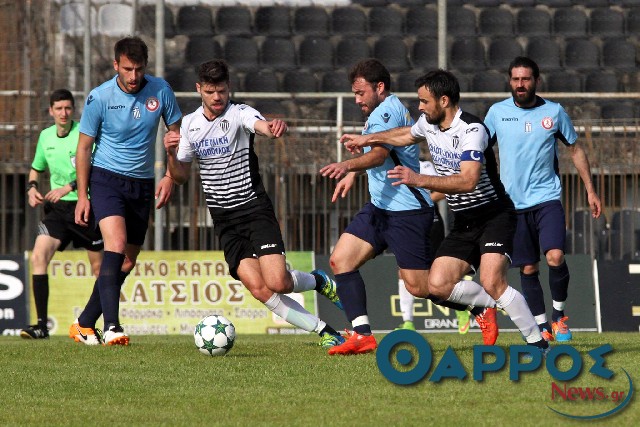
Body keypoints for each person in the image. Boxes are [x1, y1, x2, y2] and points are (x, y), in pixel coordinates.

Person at [342, 69, 549, 355]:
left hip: (494, 216)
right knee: (437, 285)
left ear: (444, 100)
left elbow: (468, 180)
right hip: (464, 221)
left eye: (424, 101)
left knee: (492, 280)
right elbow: (404, 135)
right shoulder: (428, 124)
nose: (420, 107)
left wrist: (419, 179)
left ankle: (538, 344)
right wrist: (367, 139)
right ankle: (489, 306)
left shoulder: (472, 130)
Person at [320, 60, 498, 356]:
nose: (357, 99)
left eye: (360, 93)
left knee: (420, 286)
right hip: (380, 208)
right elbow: (383, 156)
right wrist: (353, 173)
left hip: (407, 212)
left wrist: (347, 165)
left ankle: (478, 305)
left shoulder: (387, 112)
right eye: (354, 94)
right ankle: (362, 335)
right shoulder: (382, 110)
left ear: (379, 87)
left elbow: (378, 155)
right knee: (341, 260)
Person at [163, 59, 345, 349]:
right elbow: (181, 177)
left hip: (253, 210)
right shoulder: (189, 125)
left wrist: (274, 128)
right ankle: (325, 332)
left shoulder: (239, 113)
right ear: (199, 89)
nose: (217, 97)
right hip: (224, 220)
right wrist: (171, 156)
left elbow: (262, 127)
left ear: (228, 88)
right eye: (210, 92)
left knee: (279, 282)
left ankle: (319, 282)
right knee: (260, 289)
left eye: (221, 90)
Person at [70, 36, 182, 346]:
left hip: (143, 183)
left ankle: (82, 324)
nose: (134, 77)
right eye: (128, 69)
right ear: (116, 65)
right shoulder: (100, 97)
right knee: (115, 245)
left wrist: (170, 176)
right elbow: (83, 149)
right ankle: (113, 327)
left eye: (139, 69)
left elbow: (176, 136)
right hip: (106, 179)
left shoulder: (161, 90)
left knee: (128, 261)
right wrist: (82, 195)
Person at [484, 57, 602, 342]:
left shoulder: (554, 112)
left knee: (555, 256)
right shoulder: (497, 113)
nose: (520, 84)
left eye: (525, 79)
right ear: (510, 81)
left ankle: (559, 316)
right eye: (515, 79)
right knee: (528, 267)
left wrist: (590, 189)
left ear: (536, 80)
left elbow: (575, 150)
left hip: (547, 198)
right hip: (512, 205)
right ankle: (541, 326)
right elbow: (479, 148)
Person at [20, 89, 104, 339]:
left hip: (83, 206)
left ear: (73, 109)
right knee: (38, 256)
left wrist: (69, 187)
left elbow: (94, 168)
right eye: (59, 108)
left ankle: (104, 324)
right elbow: (35, 169)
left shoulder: (83, 134)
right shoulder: (45, 137)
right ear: (51, 111)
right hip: (57, 212)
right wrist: (32, 188)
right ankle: (42, 326)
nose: (64, 113)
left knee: (100, 269)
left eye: (68, 108)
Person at [395, 160, 473, 335]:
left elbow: (445, 190)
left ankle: (462, 308)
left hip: (431, 224)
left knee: (439, 275)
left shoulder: (425, 166)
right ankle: (408, 322)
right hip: (407, 224)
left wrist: (424, 201)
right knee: (403, 271)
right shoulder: (393, 167)